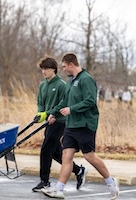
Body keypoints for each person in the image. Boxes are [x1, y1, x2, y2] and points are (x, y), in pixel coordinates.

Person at [42, 53, 119, 199]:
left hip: (85, 124)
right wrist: (53, 113)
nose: (63, 70)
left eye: (64, 66)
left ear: (71, 64)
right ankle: (59, 189)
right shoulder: (70, 81)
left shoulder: (86, 79)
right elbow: (65, 101)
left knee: (89, 156)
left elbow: (90, 101)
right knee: (66, 155)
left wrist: (72, 109)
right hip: (71, 125)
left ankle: (111, 181)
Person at [32, 55, 88, 192]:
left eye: (46, 69)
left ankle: (44, 181)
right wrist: (41, 113)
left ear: (54, 70)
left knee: (46, 149)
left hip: (60, 122)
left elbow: (64, 103)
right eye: (42, 69)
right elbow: (40, 102)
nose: (43, 72)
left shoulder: (61, 85)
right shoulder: (42, 84)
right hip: (49, 121)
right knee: (55, 152)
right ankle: (78, 170)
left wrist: (53, 114)